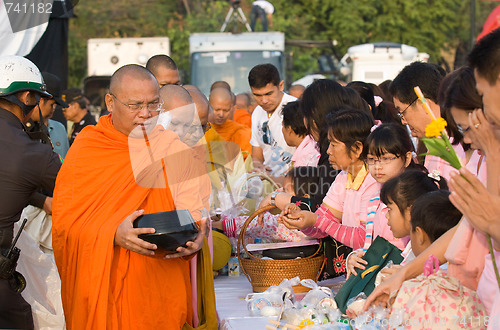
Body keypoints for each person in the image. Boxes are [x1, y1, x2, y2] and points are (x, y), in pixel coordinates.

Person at [52, 65, 216, 329]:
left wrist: (197, 236)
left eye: (154, 105)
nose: (146, 114)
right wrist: (112, 234)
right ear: (109, 102)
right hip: (105, 289)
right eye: (135, 105)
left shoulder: (171, 146)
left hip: (157, 288)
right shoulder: (87, 149)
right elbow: (64, 228)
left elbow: (195, 210)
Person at [0, 55, 61, 329]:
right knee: (20, 318)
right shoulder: (34, 153)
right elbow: (79, 195)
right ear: (26, 96)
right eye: (37, 97)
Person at [279, 109, 378, 251]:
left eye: (334, 144)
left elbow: (363, 239)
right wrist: (301, 219)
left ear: (357, 148)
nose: (328, 151)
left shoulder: (373, 181)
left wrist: (315, 220)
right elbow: (320, 227)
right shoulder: (344, 176)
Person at [390, 62, 464, 180]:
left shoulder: (462, 145)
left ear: (422, 104)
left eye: (403, 112)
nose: (404, 122)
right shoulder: (433, 144)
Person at [214, 166, 323, 241]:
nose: (280, 192)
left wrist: (221, 225)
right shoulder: (316, 220)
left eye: (285, 190)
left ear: (303, 200)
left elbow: (257, 224)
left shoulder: (291, 225)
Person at [248, 63, 296, 179]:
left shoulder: (296, 108)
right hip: (268, 181)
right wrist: (259, 167)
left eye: (268, 94)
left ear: (281, 86)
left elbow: (308, 154)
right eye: (257, 95)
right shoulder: (257, 113)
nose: (264, 100)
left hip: (294, 180)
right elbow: (257, 155)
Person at [26, 72, 70, 159]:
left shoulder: (60, 128)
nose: (53, 109)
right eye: (52, 104)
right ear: (40, 101)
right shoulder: (19, 128)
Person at [208, 87, 252, 158]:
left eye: (226, 110)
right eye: (217, 110)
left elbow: (247, 161)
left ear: (232, 109)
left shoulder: (242, 132)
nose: (221, 114)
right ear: (208, 106)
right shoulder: (200, 130)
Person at [281, 100, 320, 167]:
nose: (282, 130)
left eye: (283, 126)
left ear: (289, 129)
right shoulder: (314, 145)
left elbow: (300, 177)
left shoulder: (305, 157)